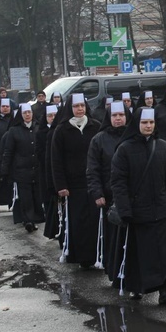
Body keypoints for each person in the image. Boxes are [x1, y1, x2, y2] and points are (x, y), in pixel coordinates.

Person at [109, 107, 166, 304]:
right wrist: (124, 210)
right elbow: (118, 182)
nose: (149, 126)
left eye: (151, 123)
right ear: (137, 124)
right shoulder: (124, 149)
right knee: (140, 253)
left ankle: (165, 290)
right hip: (137, 212)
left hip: (160, 209)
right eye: (144, 123)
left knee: (164, 251)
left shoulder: (162, 146)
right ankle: (137, 287)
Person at [52, 93, 102, 268]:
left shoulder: (95, 126)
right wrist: (61, 185)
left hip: (94, 181)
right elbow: (56, 160)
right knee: (78, 221)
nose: (80, 109)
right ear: (70, 108)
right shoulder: (62, 130)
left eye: (82, 105)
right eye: (76, 106)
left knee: (96, 220)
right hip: (73, 185)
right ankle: (82, 257)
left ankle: (98, 255)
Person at [86, 101, 128, 284]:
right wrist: (97, 193)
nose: (118, 119)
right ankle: (114, 272)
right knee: (113, 238)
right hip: (110, 196)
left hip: (131, 196)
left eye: (121, 115)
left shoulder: (132, 136)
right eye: (114, 116)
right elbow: (92, 169)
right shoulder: (99, 139)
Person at [0, 104, 45, 233]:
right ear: (21, 115)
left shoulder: (38, 128)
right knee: (26, 198)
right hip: (21, 170)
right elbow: (8, 151)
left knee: (36, 196)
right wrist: (4, 169)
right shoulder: (14, 131)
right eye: (25, 113)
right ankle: (28, 220)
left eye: (29, 112)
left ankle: (35, 218)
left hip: (36, 169)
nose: (27, 115)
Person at [40, 105, 61, 240]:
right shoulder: (41, 132)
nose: (52, 118)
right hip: (45, 170)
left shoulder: (60, 131)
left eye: (55, 115)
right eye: (49, 116)